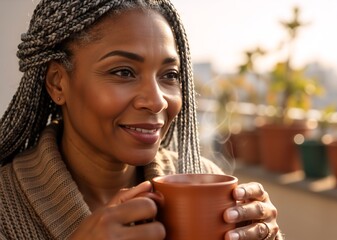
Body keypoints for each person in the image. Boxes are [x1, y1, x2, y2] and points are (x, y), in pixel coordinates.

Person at [0, 0, 282, 239]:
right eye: (123, 72)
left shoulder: (201, 178)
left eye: (169, 75)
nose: (157, 100)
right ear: (58, 83)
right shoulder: (6, 205)